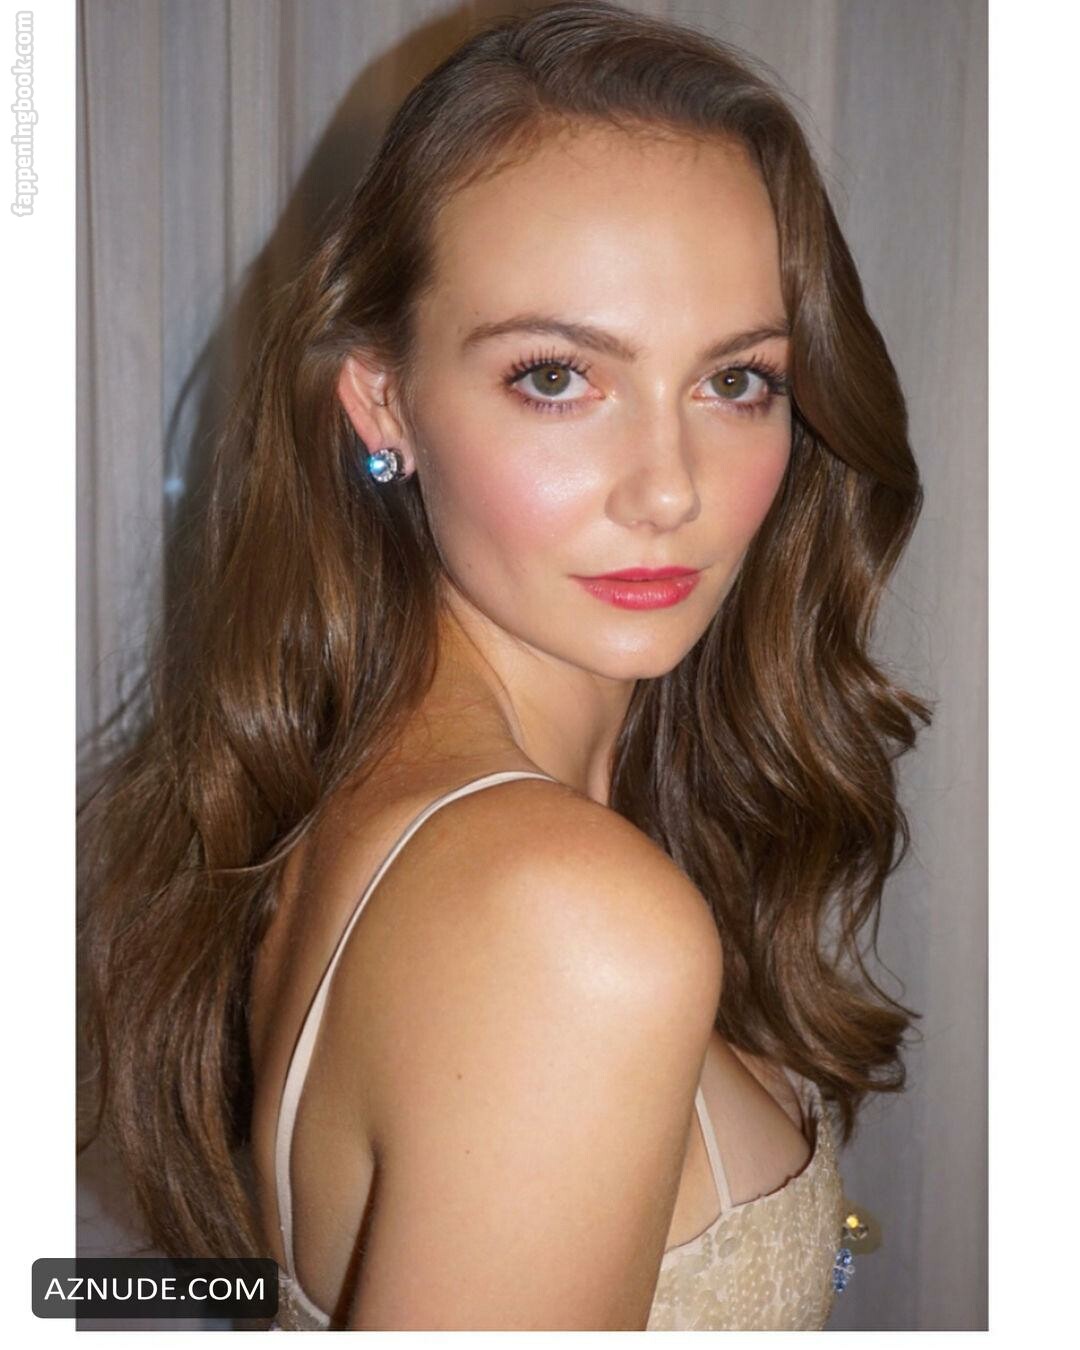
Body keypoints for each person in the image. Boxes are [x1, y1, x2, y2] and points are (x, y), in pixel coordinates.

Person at [78, 0, 930, 1331]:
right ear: (385, 402)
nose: (668, 490)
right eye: (555, 377)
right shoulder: (558, 915)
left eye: (737, 381)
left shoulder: (383, 812)